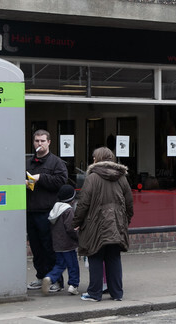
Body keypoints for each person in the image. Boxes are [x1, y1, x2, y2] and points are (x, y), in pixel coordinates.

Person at [73, 147, 134, 302]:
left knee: (95, 256)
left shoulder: (92, 178)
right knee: (114, 257)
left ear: (98, 159)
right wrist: (126, 220)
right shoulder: (122, 178)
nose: (93, 160)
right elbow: (129, 203)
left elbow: (83, 203)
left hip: (96, 224)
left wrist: (76, 222)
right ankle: (117, 294)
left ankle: (94, 293)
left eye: (94, 158)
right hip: (116, 223)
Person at [26, 129, 69, 291]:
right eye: (37, 141)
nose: (39, 144)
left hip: (48, 212)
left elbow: (61, 181)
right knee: (36, 248)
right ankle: (41, 277)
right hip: (31, 211)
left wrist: (40, 178)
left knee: (49, 247)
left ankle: (55, 280)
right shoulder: (29, 163)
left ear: (49, 142)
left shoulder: (56, 163)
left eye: (42, 141)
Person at [42, 184, 80, 295]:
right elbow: (70, 228)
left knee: (60, 265)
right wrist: (77, 237)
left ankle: (50, 277)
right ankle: (73, 285)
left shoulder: (55, 209)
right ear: (72, 199)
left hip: (57, 245)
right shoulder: (68, 211)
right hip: (68, 244)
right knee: (73, 265)